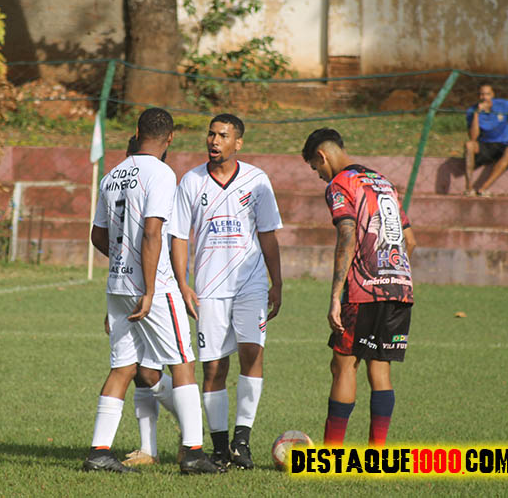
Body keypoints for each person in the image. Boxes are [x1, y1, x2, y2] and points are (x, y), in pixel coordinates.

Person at [84, 108, 220, 474]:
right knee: (182, 362)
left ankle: (99, 452)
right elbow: (152, 231)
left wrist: (124, 265)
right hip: (154, 287)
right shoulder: (161, 173)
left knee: (123, 367)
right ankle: (193, 453)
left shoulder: (112, 175)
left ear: (137, 131)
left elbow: (98, 235)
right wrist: (147, 287)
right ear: (170, 137)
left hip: (118, 285)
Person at [169, 113, 282, 470]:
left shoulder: (256, 180)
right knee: (214, 367)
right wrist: (183, 282)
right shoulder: (191, 181)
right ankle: (219, 447)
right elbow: (179, 236)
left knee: (252, 354)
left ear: (238, 143)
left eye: (222, 135)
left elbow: (268, 233)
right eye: (211, 134)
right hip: (208, 287)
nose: (214, 141)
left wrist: (277, 282)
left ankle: (241, 441)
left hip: (250, 284)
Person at [301, 127, 416, 447]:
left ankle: (331, 455)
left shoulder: (341, 184)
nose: (319, 175)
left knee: (344, 365)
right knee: (380, 369)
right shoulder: (383, 183)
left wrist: (335, 296)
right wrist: (390, 273)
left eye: (315, 167)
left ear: (322, 156)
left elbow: (347, 235)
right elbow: (410, 240)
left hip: (363, 288)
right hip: (399, 287)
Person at [103, 135, 179, 468]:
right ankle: (149, 449)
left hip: (154, 286)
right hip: (134, 286)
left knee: (153, 370)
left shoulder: (155, 182)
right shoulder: (149, 179)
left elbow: (163, 237)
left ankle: (192, 431)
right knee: (141, 372)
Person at [463, 82, 508, 196]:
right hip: (484, 144)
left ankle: (484, 188)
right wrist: (476, 114)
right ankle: (469, 188)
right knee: (469, 145)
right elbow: (473, 137)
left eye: (487, 94)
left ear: (493, 94)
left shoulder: (505, 105)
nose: (484, 97)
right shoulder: (471, 111)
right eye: (481, 94)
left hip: (502, 144)